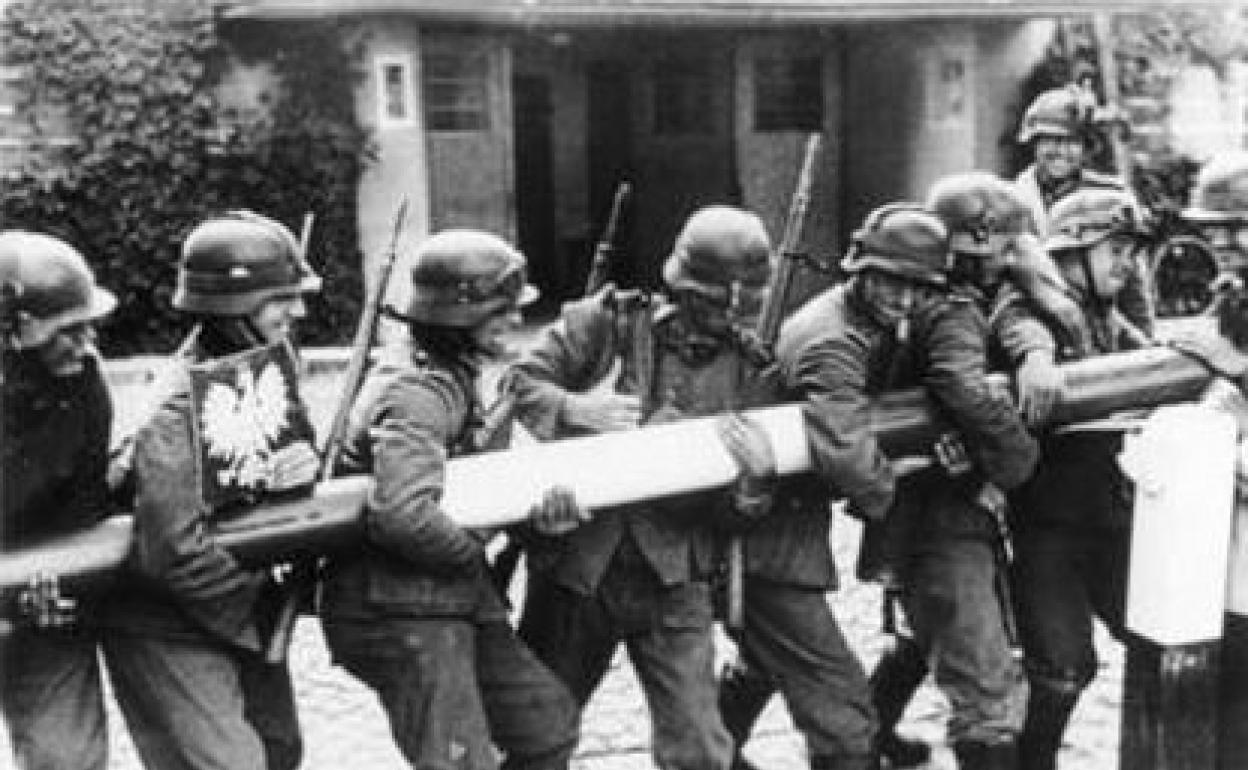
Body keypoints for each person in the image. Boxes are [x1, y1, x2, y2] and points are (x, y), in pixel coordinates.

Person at [508, 205, 786, 770]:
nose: (724, 320)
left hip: (674, 577)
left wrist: (755, 484)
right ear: (681, 288)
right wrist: (576, 408)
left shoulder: (753, 371)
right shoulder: (604, 324)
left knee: (700, 749)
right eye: (712, 304)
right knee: (538, 738)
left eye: (737, 309)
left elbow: (739, 512)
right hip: (577, 569)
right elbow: (518, 384)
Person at [768, 202, 1038, 770]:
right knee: (827, 683)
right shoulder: (833, 340)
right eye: (892, 281)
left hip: (801, 501)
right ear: (861, 269)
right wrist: (907, 473)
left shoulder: (874, 317)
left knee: (783, 656)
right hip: (771, 510)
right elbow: (847, 453)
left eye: (918, 287)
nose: (905, 298)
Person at [318, 228, 581, 770]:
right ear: (461, 318)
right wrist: (476, 544)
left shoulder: (452, 375)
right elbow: (403, 516)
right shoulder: (415, 393)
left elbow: (467, 488)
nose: (516, 319)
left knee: (546, 727)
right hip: (396, 608)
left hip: (448, 596)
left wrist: (532, 523)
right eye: (502, 311)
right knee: (459, 763)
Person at [102, 211, 319, 770]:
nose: (298, 311)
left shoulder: (262, 367)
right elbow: (173, 552)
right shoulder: (174, 411)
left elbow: (270, 469)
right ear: (230, 306)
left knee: (279, 751)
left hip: (226, 599)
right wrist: (265, 594)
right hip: (165, 619)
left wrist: (298, 474)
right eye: (281, 299)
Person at [993, 187, 1154, 770]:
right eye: (1116, 250)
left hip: (1108, 515)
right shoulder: (1030, 309)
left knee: (1160, 631)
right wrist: (1036, 361)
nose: (1128, 264)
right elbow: (1018, 328)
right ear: (1070, 253)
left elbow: (1150, 358)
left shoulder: (1103, 316)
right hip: (1046, 528)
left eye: (1132, 251)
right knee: (1062, 668)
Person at [0, 230, 117, 770]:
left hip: (37, 588)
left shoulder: (85, 386)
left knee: (69, 761)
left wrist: (47, 587)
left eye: (87, 325)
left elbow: (83, 513)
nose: (86, 343)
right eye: (67, 330)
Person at [1013, 84, 1154, 336]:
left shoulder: (1111, 196)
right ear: (1033, 142)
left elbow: (1133, 283)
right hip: (1034, 325)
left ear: (1087, 147)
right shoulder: (1013, 200)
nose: (1061, 151)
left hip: (1100, 325)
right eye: (1051, 140)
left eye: (1073, 142)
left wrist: (1145, 340)